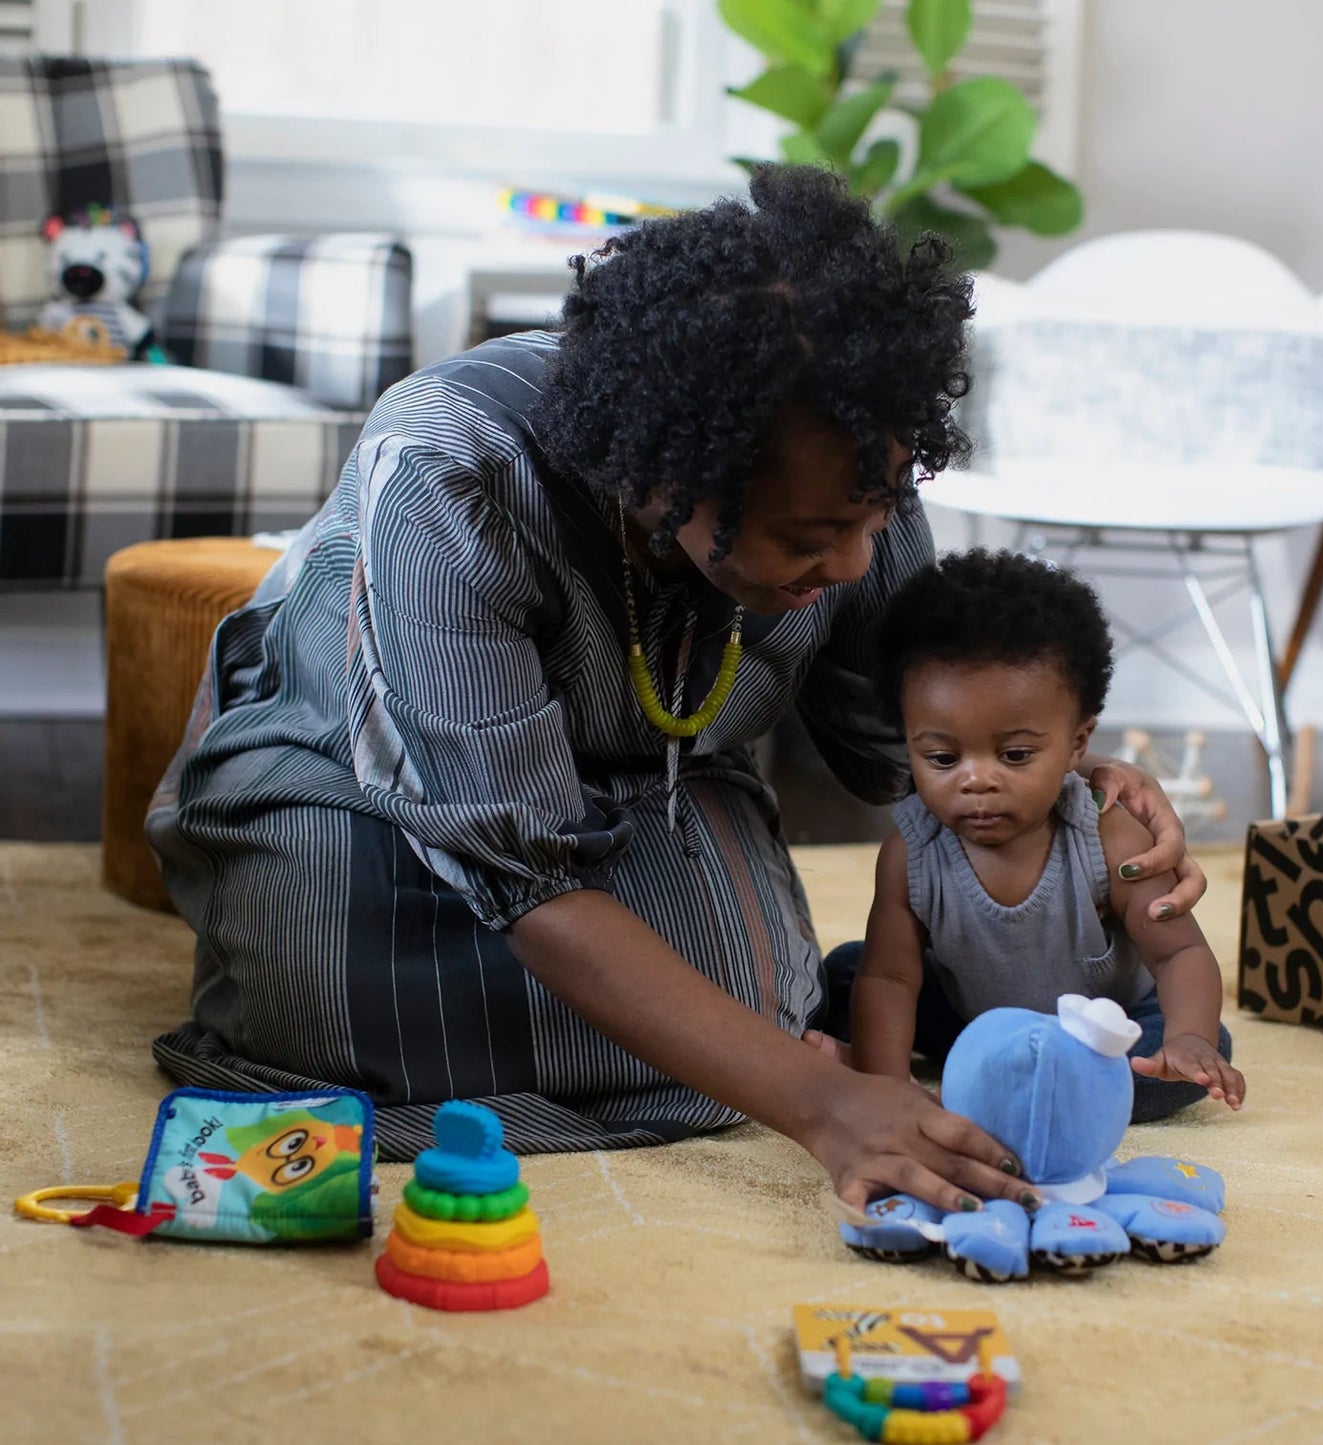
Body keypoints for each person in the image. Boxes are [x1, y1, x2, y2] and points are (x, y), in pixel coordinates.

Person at [146, 166, 1206, 1218]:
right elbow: (516, 872)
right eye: (807, 537)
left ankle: (646, 1034)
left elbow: (918, 741)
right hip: (360, 789)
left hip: (642, 798)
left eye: (873, 518)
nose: (849, 564)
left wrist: (1068, 769)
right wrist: (817, 1096)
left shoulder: (852, 472)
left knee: (751, 992)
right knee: (310, 984)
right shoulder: (448, 468)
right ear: (664, 476)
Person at [827, 549, 1245, 1123]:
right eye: (943, 757)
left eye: (1016, 755)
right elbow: (892, 976)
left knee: (1194, 1054)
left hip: (1102, 1033)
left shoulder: (1106, 834)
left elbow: (1180, 955)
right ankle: (992, 1080)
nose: (977, 780)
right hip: (972, 1020)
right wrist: (886, 1083)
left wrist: (1189, 1038)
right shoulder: (912, 849)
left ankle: (992, 1087)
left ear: (1077, 744)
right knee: (849, 972)